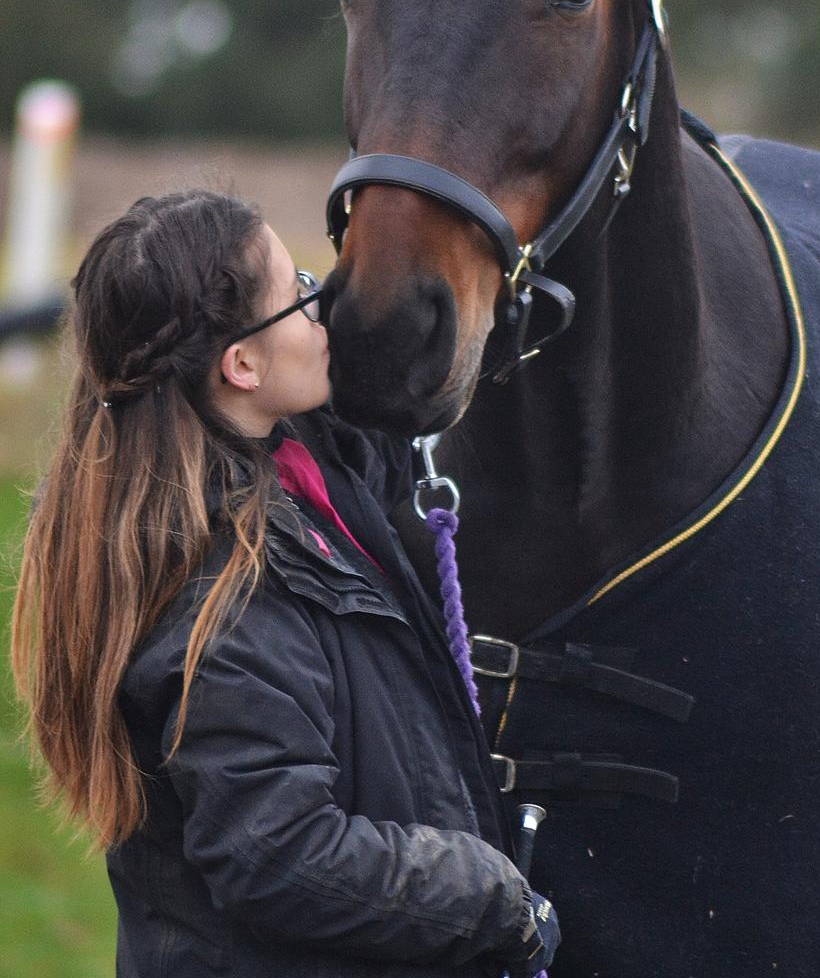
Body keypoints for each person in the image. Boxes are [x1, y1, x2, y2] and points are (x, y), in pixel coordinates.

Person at [11, 188, 560, 978]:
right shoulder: (226, 600)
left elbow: (385, 436)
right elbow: (280, 852)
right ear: (241, 366)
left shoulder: (294, 466)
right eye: (300, 294)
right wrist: (488, 897)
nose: (324, 304)